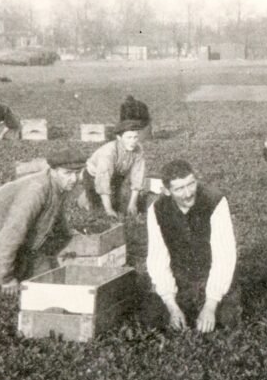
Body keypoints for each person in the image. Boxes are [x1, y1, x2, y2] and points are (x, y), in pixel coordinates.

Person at [0, 148, 87, 297]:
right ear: (54, 171)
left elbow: (55, 212)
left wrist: (67, 232)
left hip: (11, 233)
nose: (74, 179)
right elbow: (9, 236)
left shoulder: (58, 184)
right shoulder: (35, 192)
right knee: (2, 289)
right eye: (68, 173)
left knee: (44, 279)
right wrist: (6, 278)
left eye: (78, 172)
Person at [146, 160, 239, 333]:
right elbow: (158, 257)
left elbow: (224, 256)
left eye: (191, 184)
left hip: (209, 274)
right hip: (180, 276)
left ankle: (209, 304)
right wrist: (172, 305)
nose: (188, 193)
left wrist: (211, 305)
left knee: (226, 320)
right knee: (155, 318)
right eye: (179, 189)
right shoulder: (156, 209)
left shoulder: (215, 201)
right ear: (166, 191)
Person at [77, 119, 147, 218]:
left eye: (135, 137)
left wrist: (132, 203)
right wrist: (109, 210)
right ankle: (85, 198)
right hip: (93, 175)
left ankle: (93, 197)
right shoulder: (108, 152)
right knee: (98, 209)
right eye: (129, 137)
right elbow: (103, 180)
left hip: (117, 175)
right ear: (119, 137)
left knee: (119, 207)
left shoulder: (138, 149)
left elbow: (138, 175)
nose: (133, 141)